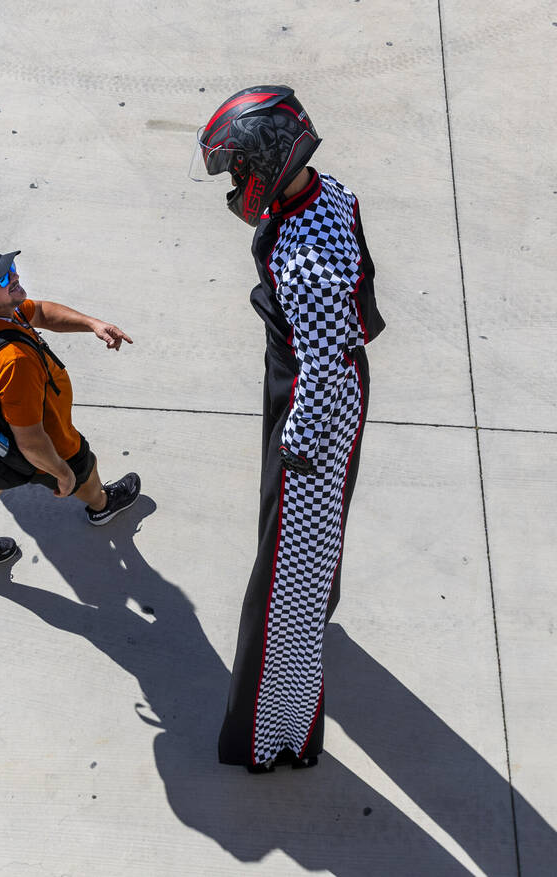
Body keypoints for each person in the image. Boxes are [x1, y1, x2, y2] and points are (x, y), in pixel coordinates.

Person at [195, 86, 385, 771]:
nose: (238, 183)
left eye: (240, 168)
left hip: (315, 409)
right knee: (306, 555)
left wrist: (295, 449)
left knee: (285, 583)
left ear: (268, 160)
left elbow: (321, 366)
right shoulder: (333, 193)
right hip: (338, 391)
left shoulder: (301, 259)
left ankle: (276, 734)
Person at [0, 247, 141, 575]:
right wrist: (63, 472)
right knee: (84, 468)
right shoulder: (14, 362)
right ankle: (102, 506)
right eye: (4, 277)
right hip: (51, 440)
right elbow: (33, 442)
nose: (16, 277)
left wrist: (91, 323)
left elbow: (39, 312)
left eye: (12, 268)